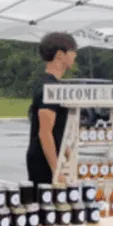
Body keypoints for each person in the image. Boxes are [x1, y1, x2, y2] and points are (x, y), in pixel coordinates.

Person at [26, 32, 78, 185]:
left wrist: (69, 155)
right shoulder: (49, 88)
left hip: (53, 157)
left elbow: (57, 131)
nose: (75, 56)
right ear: (60, 55)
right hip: (43, 161)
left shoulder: (56, 85)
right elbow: (45, 132)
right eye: (73, 51)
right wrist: (56, 170)